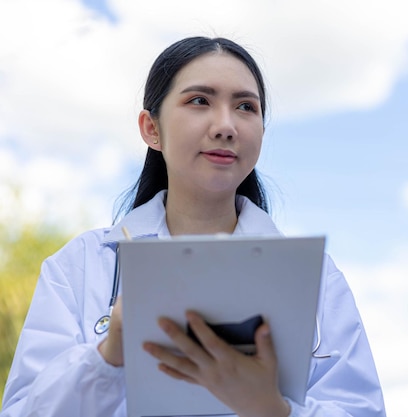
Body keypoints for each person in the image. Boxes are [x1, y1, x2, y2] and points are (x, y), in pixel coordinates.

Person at [0, 36, 386, 417]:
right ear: (152, 128)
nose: (225, 125)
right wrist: (109, 355)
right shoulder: (81, 266)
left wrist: (272, 409)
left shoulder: (317, 277)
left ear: (262, 134)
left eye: (246, 107)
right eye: (199, 101)